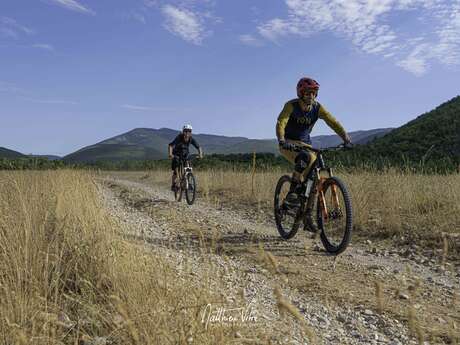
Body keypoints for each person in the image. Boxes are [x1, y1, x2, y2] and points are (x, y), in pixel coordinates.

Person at [276, 77, 352, 207]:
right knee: (305, 157)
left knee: (313, 180)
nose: (311, 96)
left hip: (306, 144)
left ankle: (308, 216)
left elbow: (332, 122)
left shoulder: (317, 108)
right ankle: (292, 193)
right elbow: (281, 122)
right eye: (307, 92)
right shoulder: (291, 106)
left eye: (313, 93)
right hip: (288, 143)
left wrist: (346, 138)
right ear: (301, 94)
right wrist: (282, 139)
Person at [168, 124, 203, 191]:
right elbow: (171, 145)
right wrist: (170, 154)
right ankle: (173, 185)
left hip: (185, 154)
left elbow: (199, 147)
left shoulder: (191, 139)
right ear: (183, 131)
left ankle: (188, 181)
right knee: (175, 171)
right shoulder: (179, 137)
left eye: (189, 131)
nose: (187, 133)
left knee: (188, 166)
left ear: (191, 132)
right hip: (177, 154)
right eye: (186, 131)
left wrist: (200, 154)